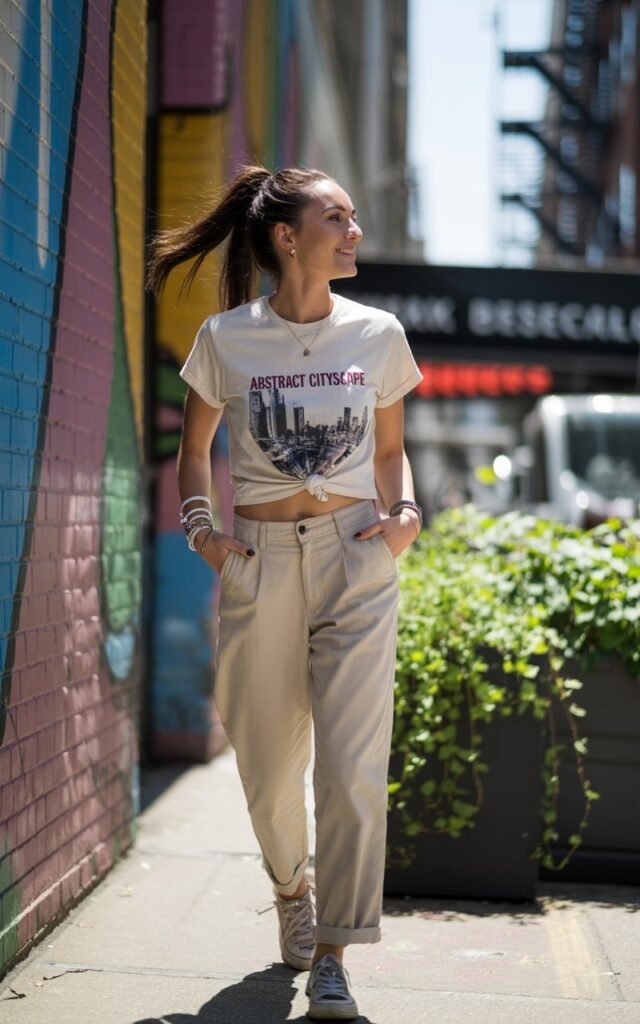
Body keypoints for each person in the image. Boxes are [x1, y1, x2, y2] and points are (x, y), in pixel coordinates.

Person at [147, 165, 423, 1020]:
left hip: (356, 556)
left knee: (351, 767)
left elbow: (387, 452)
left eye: (354, 217)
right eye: (336, 217)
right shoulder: (228, 339)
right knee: (268, 768)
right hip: (259, 560)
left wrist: (407, 509)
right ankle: (291, 884)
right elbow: (196, 453)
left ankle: (334, 953)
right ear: (286, 236)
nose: (354, 233)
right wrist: (203, 533)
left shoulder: (377, 334)